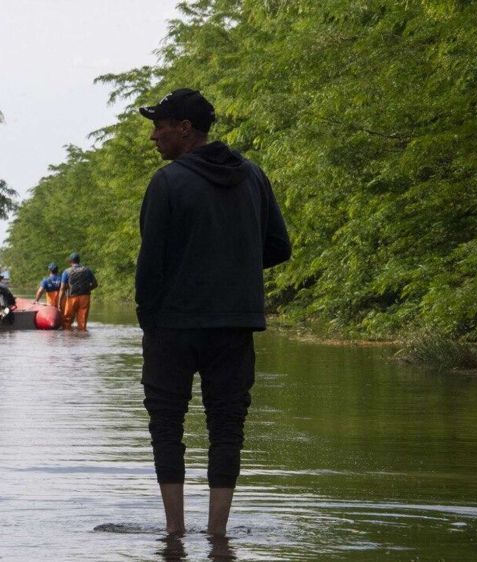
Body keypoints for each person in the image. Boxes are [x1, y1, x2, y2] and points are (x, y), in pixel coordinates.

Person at [135, 88, 291, 537]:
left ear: (184, 129)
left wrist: (149, 320)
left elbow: (151, 264)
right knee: (226, 426)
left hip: (172, 325)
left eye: (158, 127)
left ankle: (175, 533)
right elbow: (279, 247)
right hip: (235, 323)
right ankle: (219, 535)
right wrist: (232, 262)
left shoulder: (167, 182)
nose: (154, 138)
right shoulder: (254, 176)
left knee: (167, 423)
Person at [58, 252, 98, 331]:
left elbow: (62, 288)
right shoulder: (87, 270)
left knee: (67, 319)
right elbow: (95, 284)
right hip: (85, 297)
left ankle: (68, 336)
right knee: (82, 320)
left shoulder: (66, 272)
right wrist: (87, 289)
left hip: (72, 297)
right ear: (79, 261)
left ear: (70, 261)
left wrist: (59, 303)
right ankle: (82, 336)